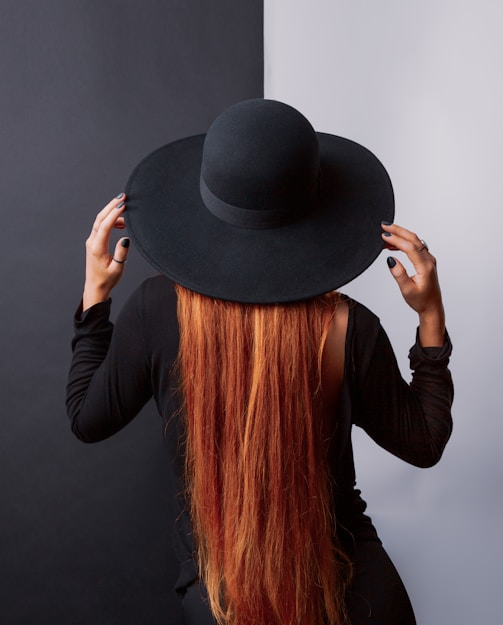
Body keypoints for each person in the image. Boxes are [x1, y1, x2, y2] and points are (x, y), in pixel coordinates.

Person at [66, 99, 453, 625]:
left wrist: (95, 296)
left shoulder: (156, 310)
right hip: (358, 593)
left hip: (225, 601)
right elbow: (424, 443)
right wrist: (430, 316)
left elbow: (87, 420)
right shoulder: (347, 325)